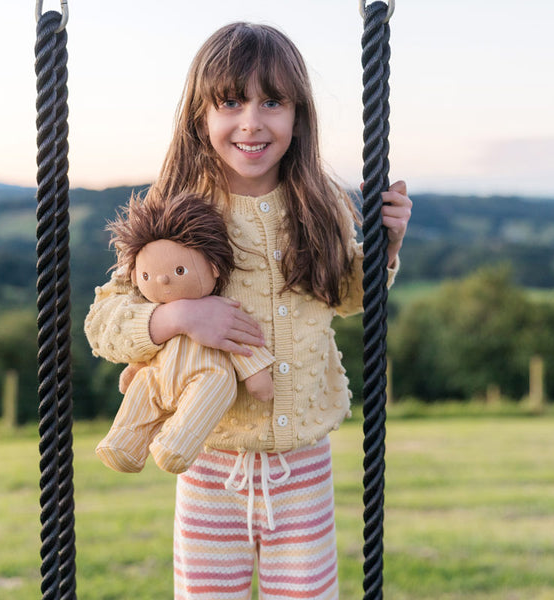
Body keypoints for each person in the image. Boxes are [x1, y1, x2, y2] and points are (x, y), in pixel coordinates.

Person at [84, 21, 411, 600]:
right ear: (199, 117)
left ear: (298, 115)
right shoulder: (177, 216)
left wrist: (387, 247)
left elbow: (349, 296)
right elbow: (105, 322)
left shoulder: (320, 207)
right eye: (230, 101)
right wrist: (180, 318)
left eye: (273, 102)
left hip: (302, 466)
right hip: (210, 466)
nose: (252, 122)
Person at [95, 192, 275, 475]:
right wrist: (137, 366)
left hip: (206, 375)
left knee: (213, 385)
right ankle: (123, 443)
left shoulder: (221, 312)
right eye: (147, 277)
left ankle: (176, 443)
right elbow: (105, 324)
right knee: (144, 385)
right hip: (159, 376)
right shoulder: (156, 309)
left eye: (179, 270)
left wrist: (256, 376)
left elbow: (243, 343)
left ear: (213, 269)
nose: (164, 280)